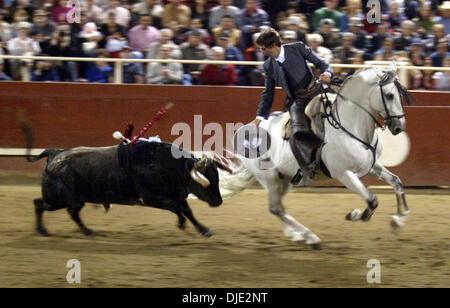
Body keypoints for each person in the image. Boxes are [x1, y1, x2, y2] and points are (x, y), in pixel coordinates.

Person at [250, 28, 333, 186]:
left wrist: (328, 74)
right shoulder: (268, 65)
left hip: (316, 91)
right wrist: (260, 116)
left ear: (274, 45)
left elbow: (323, 65)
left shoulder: (298, 47)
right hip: (297, 101)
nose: (261, 51)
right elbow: (268, 93)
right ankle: (307, 166)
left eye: (263, 48)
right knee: (296, 132)